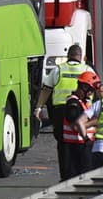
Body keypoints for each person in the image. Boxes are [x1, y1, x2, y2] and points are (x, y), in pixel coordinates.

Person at [33, 45, 90, 179]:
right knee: (83, 143)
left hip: (61, 112)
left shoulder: (58, 69)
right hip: (82, 111)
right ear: (80, 56)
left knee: (64, 145)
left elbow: (46, 90)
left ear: (68, 56)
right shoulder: (87, 69)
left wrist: (38, 108)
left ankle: (65, 176)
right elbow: (98, 89)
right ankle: (82, 175)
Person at [61, 71, 101, 179]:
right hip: (75, 148)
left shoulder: (84, 102)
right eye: (91, 90)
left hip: (83, 146)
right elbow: (75, 126)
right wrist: (95, 121)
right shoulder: (73, 104)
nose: (91, 93)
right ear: (83, 86)